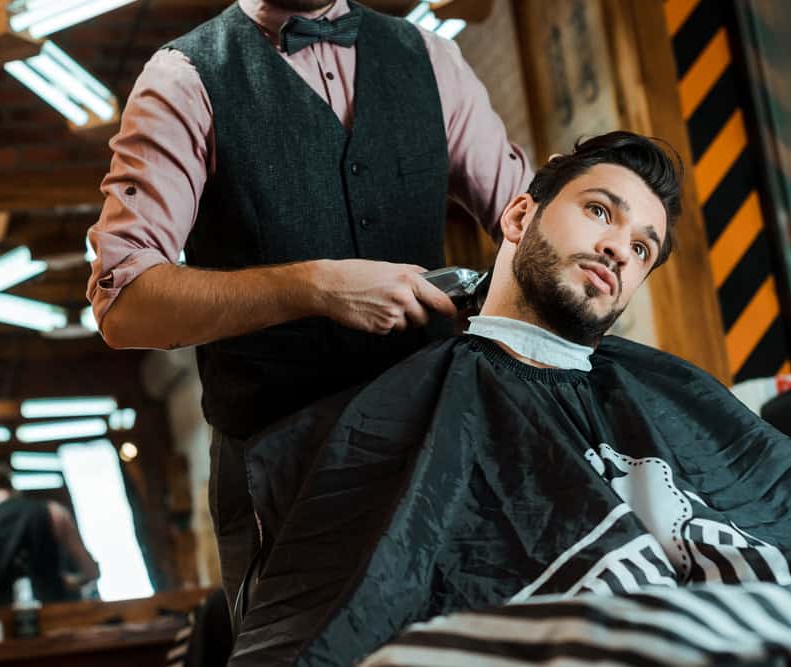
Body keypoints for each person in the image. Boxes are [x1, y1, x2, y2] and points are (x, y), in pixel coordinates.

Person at [228, 131, 791, 666]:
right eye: (598, 211)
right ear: (517, 216)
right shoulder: (412, 406)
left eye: (642, 249)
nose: (619, 248)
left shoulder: (670, 390)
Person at [86, 0, 532, 610]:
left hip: (434, 452)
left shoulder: (431, 58)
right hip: (281, 475)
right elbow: (125, 301)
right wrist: (313, 287)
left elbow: (525, 232)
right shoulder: (183, 80)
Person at [0, 463, 100, 607]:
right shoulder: (53, 511)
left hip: (4, 619)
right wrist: (72, 581)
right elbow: (90, 571)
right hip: (55, 612)